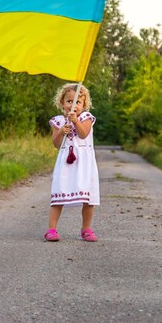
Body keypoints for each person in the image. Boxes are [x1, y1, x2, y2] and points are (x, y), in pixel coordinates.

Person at [45, 83, 100, 242]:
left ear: (83, 105)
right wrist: (61, 131)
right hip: (65, 163)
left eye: (77, 102)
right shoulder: (58, 121)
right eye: (69, 101)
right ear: (62, 103)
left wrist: (76, 122)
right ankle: (52, 229)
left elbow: (83, 134)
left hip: (84, 162)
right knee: (59, 193)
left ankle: (86, 229)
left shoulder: (86, 118)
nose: (73, 105)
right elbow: (55, 144)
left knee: (88, 197)